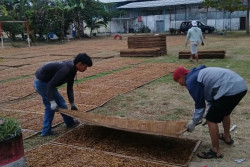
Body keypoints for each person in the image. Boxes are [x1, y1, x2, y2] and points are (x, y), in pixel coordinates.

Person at [173, 65, 247, 159]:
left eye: (177, 81)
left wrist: (194, 121)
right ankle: (226, 137)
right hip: (240, 86)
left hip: (229, 89)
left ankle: (216, 151)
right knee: (225, 113)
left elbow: (199, 105)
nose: (179, 84)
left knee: (211, 120)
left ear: (181, 76)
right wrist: (208, 112)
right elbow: (211, 97)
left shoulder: (190, 81)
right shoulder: (197, 74)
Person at [34, 53, 93, 136]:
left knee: (59, 104)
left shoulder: (73, 69)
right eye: (85, 66)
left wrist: (72, 104)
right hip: (42, 83)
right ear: (80, 64)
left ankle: (69, 122)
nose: (86, 69)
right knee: (53, 106)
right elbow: (50, 85)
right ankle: (46, 131)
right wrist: (52, 101)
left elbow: (69, 87)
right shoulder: (66, 69)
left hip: (47, 82)